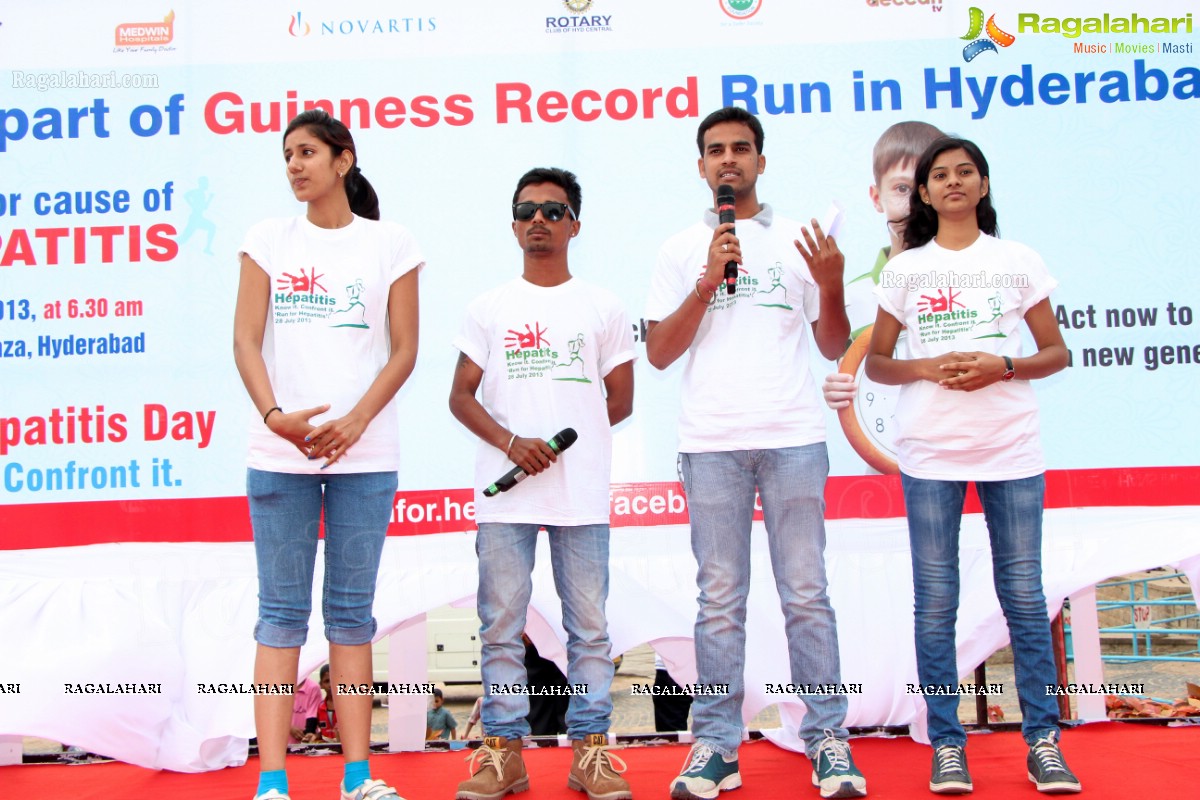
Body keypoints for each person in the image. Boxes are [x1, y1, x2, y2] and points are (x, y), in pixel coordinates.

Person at [645, 106, 867, 800]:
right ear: (702, 167)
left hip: (793, 439)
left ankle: (827, 736)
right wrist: (708, 281)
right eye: (716, 151)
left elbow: (834, 346)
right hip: (711, 445)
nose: (729, 160)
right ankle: (716, 744)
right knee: (719, 601)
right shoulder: (681, 249)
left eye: (742, 149)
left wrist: (831, 285)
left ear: (761, 162)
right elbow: (657, 353)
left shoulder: (800, 243)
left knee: (806, 595)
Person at [864, 137, 1079, 794]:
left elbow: (1056, 353)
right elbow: (876, 363)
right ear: (923, 194)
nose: (953, 182)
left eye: (965, 172)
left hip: (1011, 448)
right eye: (939, 176)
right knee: (936, 604)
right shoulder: (904, 271)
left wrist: (1002, 367)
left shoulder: (1016, 261)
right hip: (930, 452)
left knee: (1022, 597)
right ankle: (946, 744)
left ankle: (1043, 741)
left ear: (983, 185)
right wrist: (926, 367)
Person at [233, 108, 422, 800]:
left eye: (307, 152)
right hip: (279, 455)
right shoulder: (267, 239)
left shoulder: (391, 243)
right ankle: (274, 781)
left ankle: (357, 776)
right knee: (280, 613)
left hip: (365, 457)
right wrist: (277, 416)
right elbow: (246, 341)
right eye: (287, 155)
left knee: (351, 614)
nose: (294, 165)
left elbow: (404, 350)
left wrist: (356, 421)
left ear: (343, 160)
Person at [448, 167, 635, 800]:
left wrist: (566, 438)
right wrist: (511, 444)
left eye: (553, 212)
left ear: (574, 226)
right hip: (504, 497)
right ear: (512, 224)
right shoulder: (489, 307)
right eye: (526, 211)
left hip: (580, 493)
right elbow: (459, 396)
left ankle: (591, 753)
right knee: (501, 627)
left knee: (590, 628)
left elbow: (623, 400)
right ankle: (503, 754)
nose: (538, 221)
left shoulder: (603, 306)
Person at [825, 120, 944, 410]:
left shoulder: (972, 280)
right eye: (902, 189)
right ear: (877, 198)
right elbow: (852, 374)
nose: (916, 202)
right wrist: (838, 387)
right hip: (886, 450)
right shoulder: (853, 297)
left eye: (926, 186)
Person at [290, 675, 323, 744]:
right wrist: (289, 728)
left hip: (307, 742)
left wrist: (308, 733)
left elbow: (312, 715)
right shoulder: (279, 685)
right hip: (284, 743)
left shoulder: (313, 687)